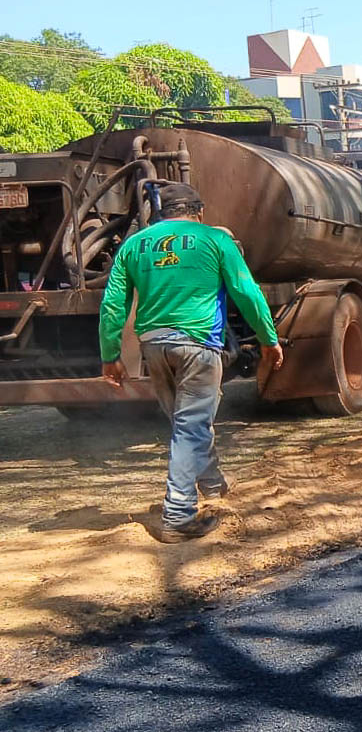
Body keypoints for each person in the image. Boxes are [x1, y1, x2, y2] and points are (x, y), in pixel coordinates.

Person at [99, 182, 284, 543]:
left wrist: (110, 356)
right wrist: (268, 339)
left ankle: (213, 486)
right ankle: (178, 515)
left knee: (187, 424)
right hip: (198, 345)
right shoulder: (215, 239)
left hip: (154, 346)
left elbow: (112, 306)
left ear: (159, 214)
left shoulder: (134, 245)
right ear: (198, 212)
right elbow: (246, 292)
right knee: (191, 426)